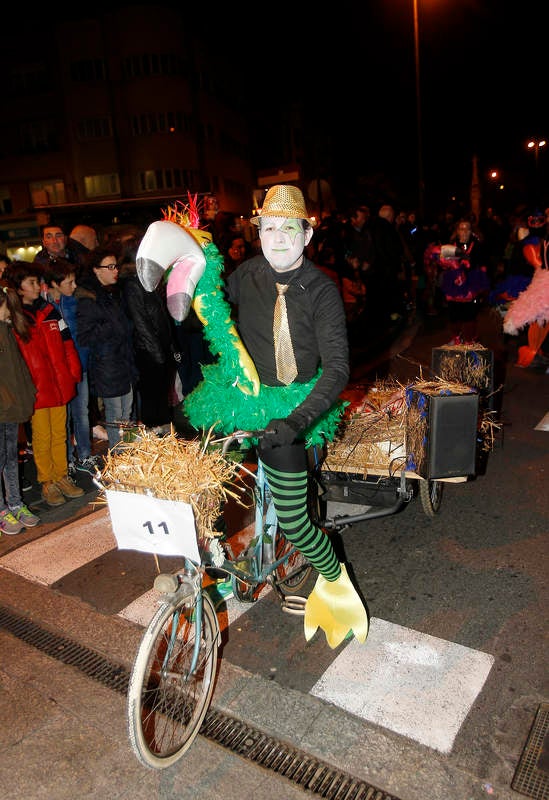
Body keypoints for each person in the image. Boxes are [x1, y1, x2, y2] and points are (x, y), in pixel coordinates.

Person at [226, 185, 368, 647]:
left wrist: (296, 421)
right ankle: (244, 564)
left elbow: (339, 368)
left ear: (307, 235)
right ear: (258, 233)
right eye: (269, 227)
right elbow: (208, 320)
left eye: (290, 228)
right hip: (248, 399)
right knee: (209, 484)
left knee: (293, 519)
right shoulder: (242, 276)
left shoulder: (322, 289)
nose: (279, 237)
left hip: (300, 405)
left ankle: (332, 576)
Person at [7, 262, 84, 507]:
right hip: (37, 389)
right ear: (18, 289)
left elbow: (67, 343)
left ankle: (61, 476)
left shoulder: (50, 310)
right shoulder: (15, 318)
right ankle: (47, 481)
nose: (37, 286)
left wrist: (73, 372)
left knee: (60, 434)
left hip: (59, 383)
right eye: (31, 283)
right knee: (41, 437)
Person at [77, 248, 138, 451]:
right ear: (96, 270)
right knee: (115, 414)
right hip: (107, 363)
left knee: (126, 412)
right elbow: (85, 336)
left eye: (116, 266)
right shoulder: (89, 297)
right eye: (110, 267)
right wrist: (111, 326)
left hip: (123, 360)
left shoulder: (114, 293)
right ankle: (119, 457)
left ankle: (127, 454)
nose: (115, 271)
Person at [41, 258, 99, 472]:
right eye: (69, 282)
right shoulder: (44, 306)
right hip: (57, 371)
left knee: (81, 412)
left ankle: (84, 455)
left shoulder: (75, 301)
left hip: (79, 365)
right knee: (62, 418)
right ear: (55, 284)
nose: (74, 287)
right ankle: (67, 460)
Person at [119, 236, 176, 429]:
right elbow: (140, 322)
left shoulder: (147, 279)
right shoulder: (132, 283)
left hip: (158, 346)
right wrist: (158, 353)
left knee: (160, 394)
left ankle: (163, 432)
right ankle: (155, 434)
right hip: (148, 350)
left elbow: (160, 315)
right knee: (152, 395)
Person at [0, 281, 41, 533]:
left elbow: (17, 370)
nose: (8, 312)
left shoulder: (7, 330)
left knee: (11, 457)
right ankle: (2, 508)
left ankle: (15, 502)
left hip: (11, 404)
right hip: (3, 404)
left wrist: (24, 394)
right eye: (5, 307)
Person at [438, 218, 491, 344]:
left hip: (471, 283)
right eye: (462, 228)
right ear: (457, 231)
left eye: (467, 228)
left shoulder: (478, 245)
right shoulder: (450, 244)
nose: (465, 231)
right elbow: (442, 262)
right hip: (454, 283)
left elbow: (483, 264)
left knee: (469, 313)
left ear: (472, 231)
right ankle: (456, 336)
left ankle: (469, 338)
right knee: (453, 312)